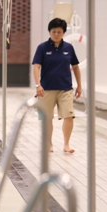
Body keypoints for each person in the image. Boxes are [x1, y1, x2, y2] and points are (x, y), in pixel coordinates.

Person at [32, 18, 82, 154]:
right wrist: (38, 85)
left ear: (64, 33)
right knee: (47, 117)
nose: (56, 34)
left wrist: (79, 86)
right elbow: (36, 66)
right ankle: (49, 144)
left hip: (65, 88)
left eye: (59, 32)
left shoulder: (69, 48)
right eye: (53, 31)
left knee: (69, 116)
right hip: (46, 89)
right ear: (49, 32)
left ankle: (66, 144)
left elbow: (76, 67)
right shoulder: (42, 47)